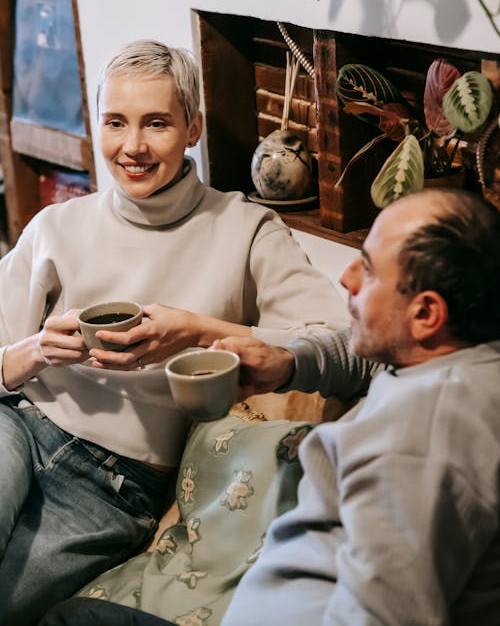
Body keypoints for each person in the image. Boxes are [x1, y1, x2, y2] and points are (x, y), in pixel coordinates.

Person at [0, 39, 348, 626]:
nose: (132, 147)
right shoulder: (57, 226)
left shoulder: (246, 228)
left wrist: (197, 331)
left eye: (156, 123)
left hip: (114, 486)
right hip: (19, 426)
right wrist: (31, 352)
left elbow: (343, 343)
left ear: (193, 128)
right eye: (115, 122)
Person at [38, 187, 500, 626]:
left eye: (370, 270)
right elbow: (363, 357)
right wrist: (290, 363)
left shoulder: (419, 445)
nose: (346, 277)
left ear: (426, 314)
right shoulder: (458, 354)